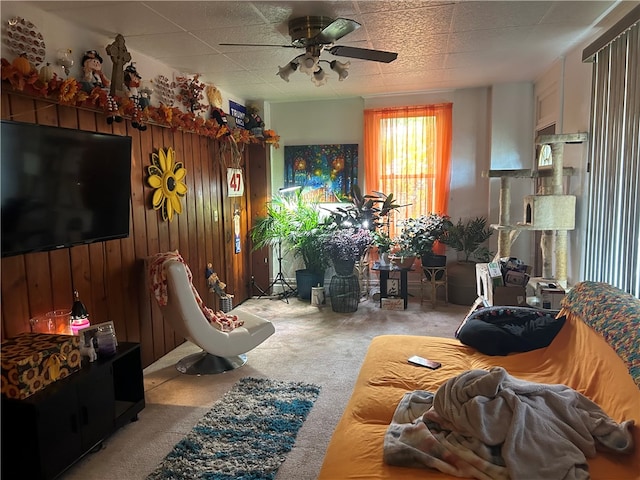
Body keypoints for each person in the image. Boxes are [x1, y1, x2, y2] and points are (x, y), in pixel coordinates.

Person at [79, 50, 121, 124]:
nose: (96, 63)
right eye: (94, 61)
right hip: (95, 90)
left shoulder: (99, 75)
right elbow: (88, 80)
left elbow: (107, 83)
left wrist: (101, 75)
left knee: (111, 99)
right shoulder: (89, 74)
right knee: (106, 98)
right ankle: (109, 114)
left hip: (101, 90)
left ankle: (115, 113)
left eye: (97, 62)